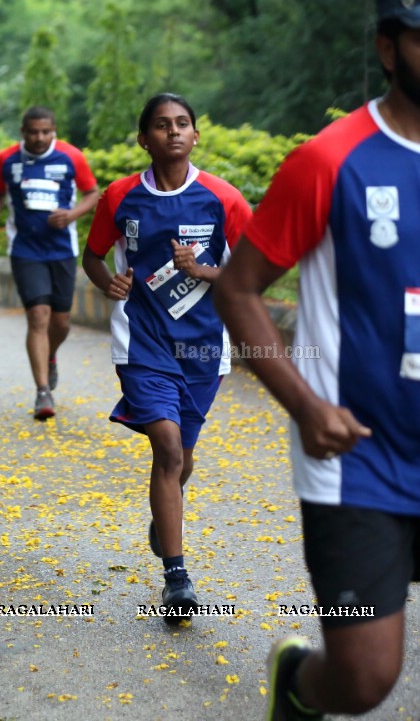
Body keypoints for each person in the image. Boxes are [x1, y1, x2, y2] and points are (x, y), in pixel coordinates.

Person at [215, 0, 420, 721]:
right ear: (388, 48)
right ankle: (296, 685)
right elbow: (237, 288)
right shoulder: (330, 160)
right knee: (365, 679)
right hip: (356, 463)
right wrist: (305, 406)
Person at [82, 93, 251, 619]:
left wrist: (203, 271)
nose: (173, 132)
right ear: (144, 138)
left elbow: (254, 274)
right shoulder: (120, 196)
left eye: (182, 124)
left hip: (202, 347)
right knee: (168, 448)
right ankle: (176, 578)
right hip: (142, 341)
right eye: (161, 125)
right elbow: (92, 255)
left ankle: (167, 510)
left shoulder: (224, 199)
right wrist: (108, 281)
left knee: (182, 458)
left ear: (196, 135)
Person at [0, 106, 99, 419]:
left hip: (62, 249)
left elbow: (92, 193)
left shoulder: (71, 157)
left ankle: (50, 355)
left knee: (60, 322)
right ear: (23, 131)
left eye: (46, 132)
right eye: (33, 132)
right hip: (25, 250)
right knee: (38, 316)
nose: (39, 137)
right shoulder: (5, 160)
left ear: (54, 130)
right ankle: (43, 392)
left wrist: (72, 214)